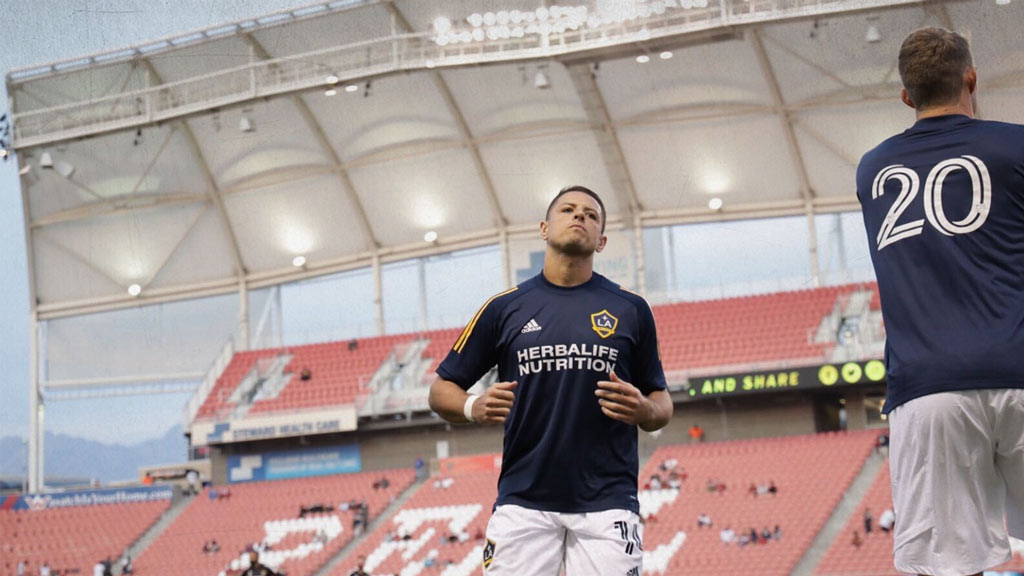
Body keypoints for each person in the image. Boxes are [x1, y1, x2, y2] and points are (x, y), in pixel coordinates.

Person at [428, 186, 673, 576]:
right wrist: (473, 405)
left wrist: (645, 409)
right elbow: (441, 390)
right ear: (544, 227)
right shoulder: (503, 307)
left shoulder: (632, 309)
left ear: (602, 240)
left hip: (608, 502)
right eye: (568, 210)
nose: (580, 217)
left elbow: (661, 402)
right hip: (522, 501)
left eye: (591, 215)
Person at [858, 26, 1024, 576]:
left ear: (906, 96)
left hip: (929, 388)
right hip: (1020, 368)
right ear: (971, 78)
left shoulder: (872, 170)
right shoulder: (1016, 147)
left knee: (949, 565)